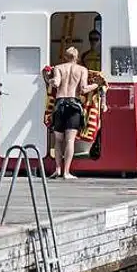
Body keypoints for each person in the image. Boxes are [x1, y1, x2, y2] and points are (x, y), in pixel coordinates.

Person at [48, 47, 98, 179]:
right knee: (70, 140)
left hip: (59, 105)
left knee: (58, 140)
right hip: (73, 105)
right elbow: (83, 89)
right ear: (77, 57)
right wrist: (96, 85)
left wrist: (50, 80)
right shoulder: (82, 70)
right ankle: (66, 172)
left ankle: (58, 169)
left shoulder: (58, 68)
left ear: (65, 57)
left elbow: (56, 83)